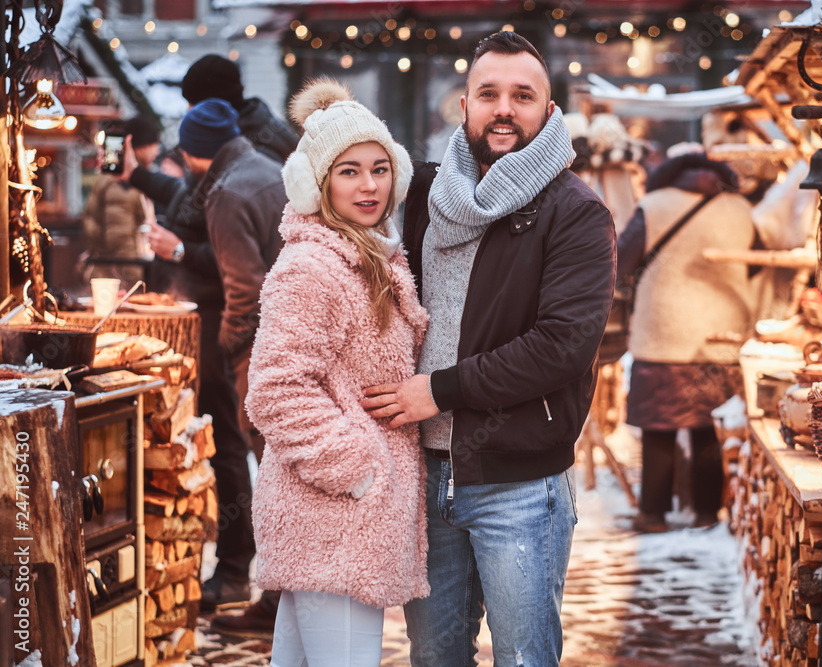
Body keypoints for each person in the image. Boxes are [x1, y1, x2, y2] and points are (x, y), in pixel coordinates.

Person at [361, 31, 617, 666]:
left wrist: (438, 390)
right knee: (435, 657)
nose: (504, 108)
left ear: (549, 112)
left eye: (522, 95)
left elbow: (561, 347)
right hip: (423, 471)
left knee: (524, 659)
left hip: (519, 481)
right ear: (466, 106)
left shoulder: (576, 213)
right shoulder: (424, 194)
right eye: (489, 94)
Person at [245, 78, 427, 665]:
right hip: (336, 518)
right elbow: (275, 390)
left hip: (333, 521)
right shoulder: (313, 268)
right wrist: (358, 471)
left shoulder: (371, 257)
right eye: (349, 171)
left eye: (379, 167)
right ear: (318, 184)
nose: (369, 184)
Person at [176, 98, 286, 631]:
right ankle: (286, 598)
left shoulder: (225, 192)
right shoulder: (268, 168)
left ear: (195, 153)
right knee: (285, 479)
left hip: (262, 354)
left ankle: (278, 600)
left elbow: (246, 289)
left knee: (272, 480)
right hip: (295, 342)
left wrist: (228, 350)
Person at [617, 150, 755, 533]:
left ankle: (654, 514)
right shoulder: (740, 208)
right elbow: (758, 264)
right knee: (708, 426)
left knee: (658, 427)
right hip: (721, 335)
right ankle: (708, 513)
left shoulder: (655, 203)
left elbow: (622, 260)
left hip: (662, 334)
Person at [81, 115, 160, 284]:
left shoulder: (119, 179)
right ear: (140, 147)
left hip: (110, 276)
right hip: (117, 282)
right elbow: (120, 241)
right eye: (153, 144)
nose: (157, 151)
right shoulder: (120, 186)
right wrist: (140, 281)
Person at [181, 54, 299, 164]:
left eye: (193, 104)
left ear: (213, 107)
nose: (188, 110)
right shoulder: (261, 124)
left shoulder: (250, 152)